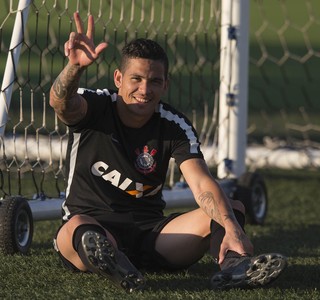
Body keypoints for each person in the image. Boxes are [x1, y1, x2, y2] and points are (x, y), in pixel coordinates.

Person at [50, 12, 287, 293]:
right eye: (136, 79)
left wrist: (233, 229)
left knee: (230, 209)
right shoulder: (96, 106)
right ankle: (113, 262)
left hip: (152, 235)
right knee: (79, 227)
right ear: (118, 78)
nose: (144, 89)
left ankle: (235, 267)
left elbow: (201, 183)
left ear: (166, 84)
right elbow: (61, 104)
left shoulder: (174, 125)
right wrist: (74, 68)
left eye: (154, 81)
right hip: (90, 226)